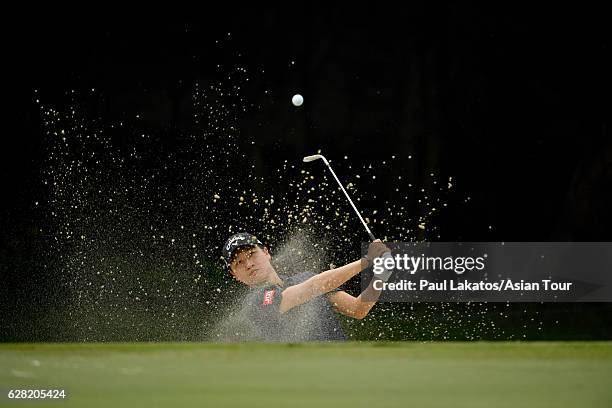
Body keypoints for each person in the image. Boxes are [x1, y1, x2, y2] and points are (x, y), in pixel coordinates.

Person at [221, 232, 391, 341]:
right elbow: (316, 285)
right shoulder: (256, 302)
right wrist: (367, 261)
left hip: (345, 368)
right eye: (239, 262)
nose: (249, 264)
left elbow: (358, 309)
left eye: (252, 254)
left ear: (266, 253)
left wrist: (382, 273)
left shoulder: (304, 278)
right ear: (234, 275)